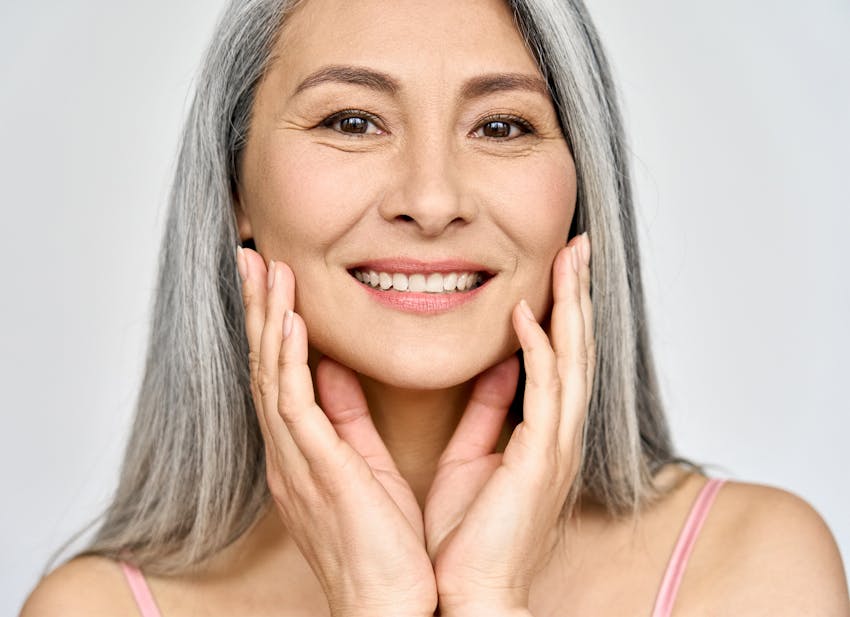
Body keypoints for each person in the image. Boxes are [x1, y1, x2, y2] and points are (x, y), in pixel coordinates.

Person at [21, 0, 849, 615]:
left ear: (582, 183)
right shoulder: (95, 609)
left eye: (501, 126)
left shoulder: (754, 567)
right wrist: (376, 601)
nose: (431, 198)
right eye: (353, 121)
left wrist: (489, 597)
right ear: (234, 184)